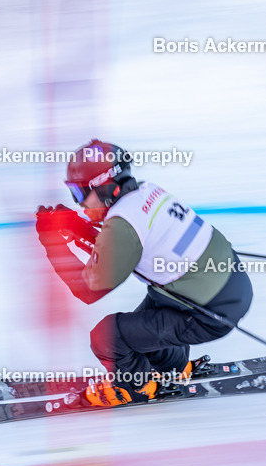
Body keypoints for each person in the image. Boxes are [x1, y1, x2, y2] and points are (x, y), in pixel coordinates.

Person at [35, 139, 253, 407]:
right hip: (227, 291)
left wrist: (52, 244)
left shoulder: (123, 224)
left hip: (208, 315)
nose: (79, 204)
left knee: (107, 339)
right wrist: (73, 225)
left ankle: (137, 387)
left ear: (105, 188)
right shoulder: (146, 192)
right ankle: (175, 366)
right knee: (141, 325)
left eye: (80, 194)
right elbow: (121, 245)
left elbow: (88, 290)